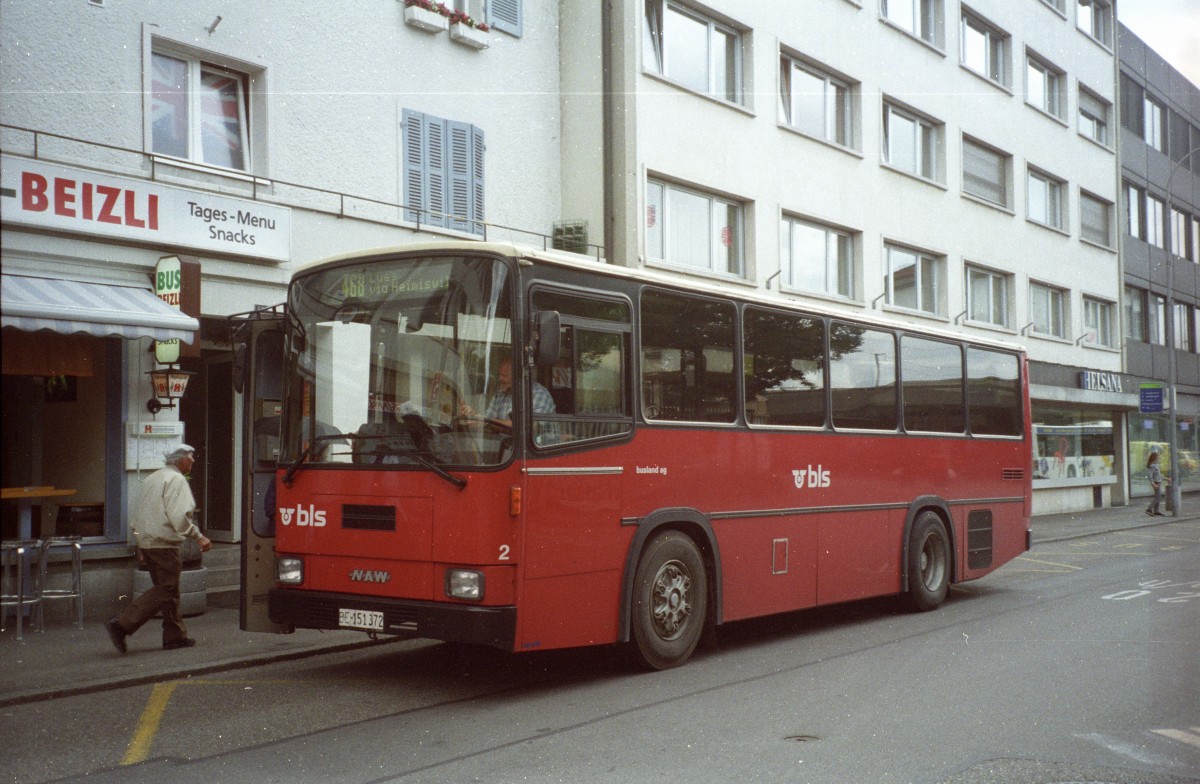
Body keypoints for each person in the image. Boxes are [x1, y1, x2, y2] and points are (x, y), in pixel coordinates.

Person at [105, 444, 212, 653]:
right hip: (164, 543)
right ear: (180, 460)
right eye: (191, 456)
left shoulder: (153, 478)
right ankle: (122, 624)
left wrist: (140, 544)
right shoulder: (177, 480)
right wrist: (198, 537)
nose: (193, 460)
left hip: (149, 541)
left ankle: (175, 636)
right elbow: (179, 515)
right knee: (168, 588)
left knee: (168, 589)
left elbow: (139, 514)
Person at [459, 356, 554, 430]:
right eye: (499, 375)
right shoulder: (500, 395)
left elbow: (527, 427)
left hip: (540, 453)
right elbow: (488, 421)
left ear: (518, 376)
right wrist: (474, 416)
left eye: (504, 375)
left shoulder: (539, 394)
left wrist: (485, 422)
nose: (500, 379)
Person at [1145, 451, 1167, 517]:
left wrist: (1166, 478)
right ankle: (1149, 509)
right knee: (1158, 497)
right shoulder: (1152, 466)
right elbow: (1150, 475)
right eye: (1158, 457)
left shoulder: (1156, 465)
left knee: (1158, 497)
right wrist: (1153, 483)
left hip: (1158, 481)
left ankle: (1156, 511)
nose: (1159, 458)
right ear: (1154, 458)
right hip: (1156, 482)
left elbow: (1159, 475)